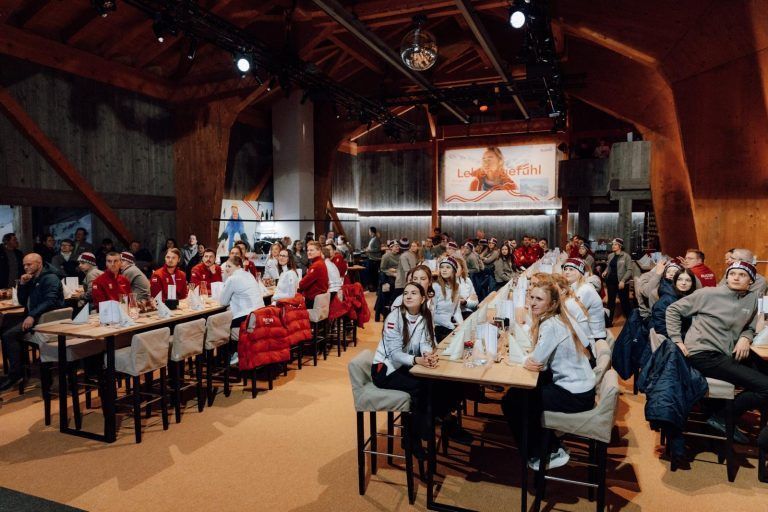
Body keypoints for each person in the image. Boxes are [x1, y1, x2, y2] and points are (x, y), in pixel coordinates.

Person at [666, 260, 768, 450]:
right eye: (732, 274)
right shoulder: (708, 293)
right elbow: (673, 310)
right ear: (727, 277)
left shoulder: (753, 298)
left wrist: (746, 336)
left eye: (742, 275)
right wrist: (676, 340)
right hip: (703, 353)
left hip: (728, 353)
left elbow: (752, 325)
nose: (736, 277)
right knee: (765, 387)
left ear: (751, 281)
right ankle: (722, 417)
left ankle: (732, 418)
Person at [502, 279, 596, 470]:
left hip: (575, 395)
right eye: (532, 297)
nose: (533, 302)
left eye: (539, 299)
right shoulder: (556, 319)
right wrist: (531, 360)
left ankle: (544, 452)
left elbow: (537, 362)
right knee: (520, 394)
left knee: (512, 401)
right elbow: (540, 360)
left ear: (552, 304)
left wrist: (521, 360)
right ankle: (549, 445)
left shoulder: (550, 325)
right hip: (581, 387)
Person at [371, 282, 438, 458]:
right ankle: (412, 439)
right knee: (418, 388)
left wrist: (427, 354)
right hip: (384, 370)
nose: (408, 296)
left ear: (423, 298)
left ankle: (423, 430)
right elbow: (394, 354)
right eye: (406, 293)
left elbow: (424, 341)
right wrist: (417, 360)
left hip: (404, 366)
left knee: (432, 384)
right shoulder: (394, 317)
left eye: (414, 293)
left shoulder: (424, 315)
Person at [0, 253, 64, 391]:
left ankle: (15, 374)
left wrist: (32, 315)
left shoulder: (50, 278)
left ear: (39, 264)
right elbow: (23, 301)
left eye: (29, 264)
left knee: (8, 335)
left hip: (44, 319)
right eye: (24, 265)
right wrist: (23, 285)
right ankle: (18, 368)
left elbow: (50, 301)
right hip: (33, 315)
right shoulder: (32, 278)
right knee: (4, 324)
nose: (26, 267)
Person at [219, 254, 265, 367]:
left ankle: (227, 360)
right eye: (225, 266)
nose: (226, 269)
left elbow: (223, 301)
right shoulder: (248, 275)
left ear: (238, 266)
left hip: (246, 318)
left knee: (221, 326)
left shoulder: (233, 278)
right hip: (258, 315)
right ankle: (235, 356)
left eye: (229, 266)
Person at [563, 258, 607, 344]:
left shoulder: (585, 289)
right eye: (565, 269)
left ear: (580, 273)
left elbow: (571, 313)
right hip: (586, 332)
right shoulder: (574, 287)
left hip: (594, 337)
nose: (566, 272)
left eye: (571, 269)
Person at [651, 268, 696, 338]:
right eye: (679, 279)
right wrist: (684, 338)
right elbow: (661, 328)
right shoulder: (666, 300)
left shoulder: (692, 298)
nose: (683, 283)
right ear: (675, 281)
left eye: (688, 280)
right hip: (673, 341)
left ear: (692, 283)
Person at [602, 238, 633, 325]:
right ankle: (609, 322)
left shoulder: (626, 256)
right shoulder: (610, 256)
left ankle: (631, 322)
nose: (613, 246)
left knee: (625, 303)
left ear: (620, 246)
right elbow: (609, 267)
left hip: (621, 283)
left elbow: (629, 270)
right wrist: (605, 272)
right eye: (613, 244)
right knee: (610, 302)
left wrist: (623, 281)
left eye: (615, 244)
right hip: (611, 282)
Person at [432, 257, 463, 342]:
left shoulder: (457, 287)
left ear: (454, 271)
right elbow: (431, 313)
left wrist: (462, 325)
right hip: (437, 326)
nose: (444, 270)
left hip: (449, 325)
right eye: (442, 267)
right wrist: (450, 326)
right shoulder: (435, 286)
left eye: (448, 267)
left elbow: (456, 310)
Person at [298, 241, 328, 309]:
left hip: (313, 301)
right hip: (318, 299)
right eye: (308, 250)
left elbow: (302, 284)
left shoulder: (316, 265)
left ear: (319, 251)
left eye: (311, 250)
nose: (309, 252)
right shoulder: (320, 263)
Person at [364, 227, 382, 291]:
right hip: (371, 258)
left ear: (371, 231)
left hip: (375, 260)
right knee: (370, 274)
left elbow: (378, 249)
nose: (368, 232)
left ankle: (375, 287)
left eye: (369, 231)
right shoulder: (373, 239)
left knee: (374, 274)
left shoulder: (376, 239)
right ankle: (372, 287)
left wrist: (369, 250)